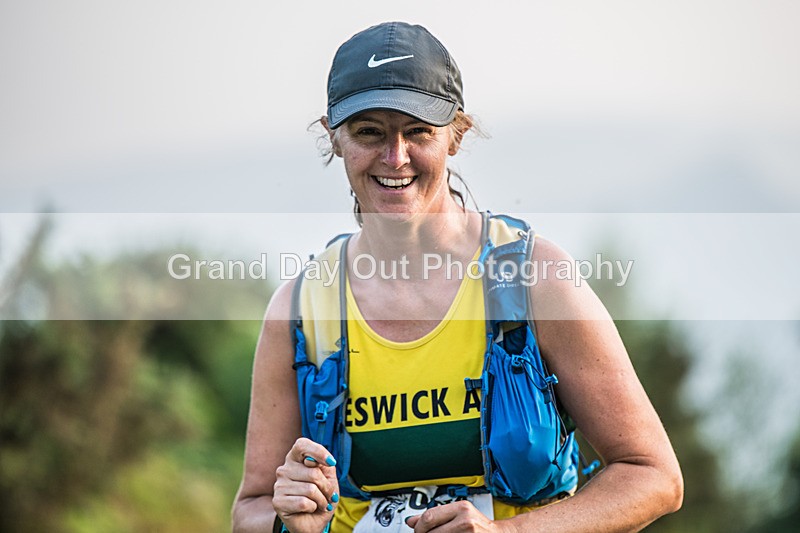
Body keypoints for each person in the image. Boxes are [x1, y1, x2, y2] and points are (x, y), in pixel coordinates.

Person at [232, 21, 683, 533]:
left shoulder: (536, 280)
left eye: (418, 131)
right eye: (369, 132)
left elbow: (654, 476)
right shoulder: (300, 309)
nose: (394, 157)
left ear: (457, 135)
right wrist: (287, 522)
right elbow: (250, 510)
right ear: (335, 139)